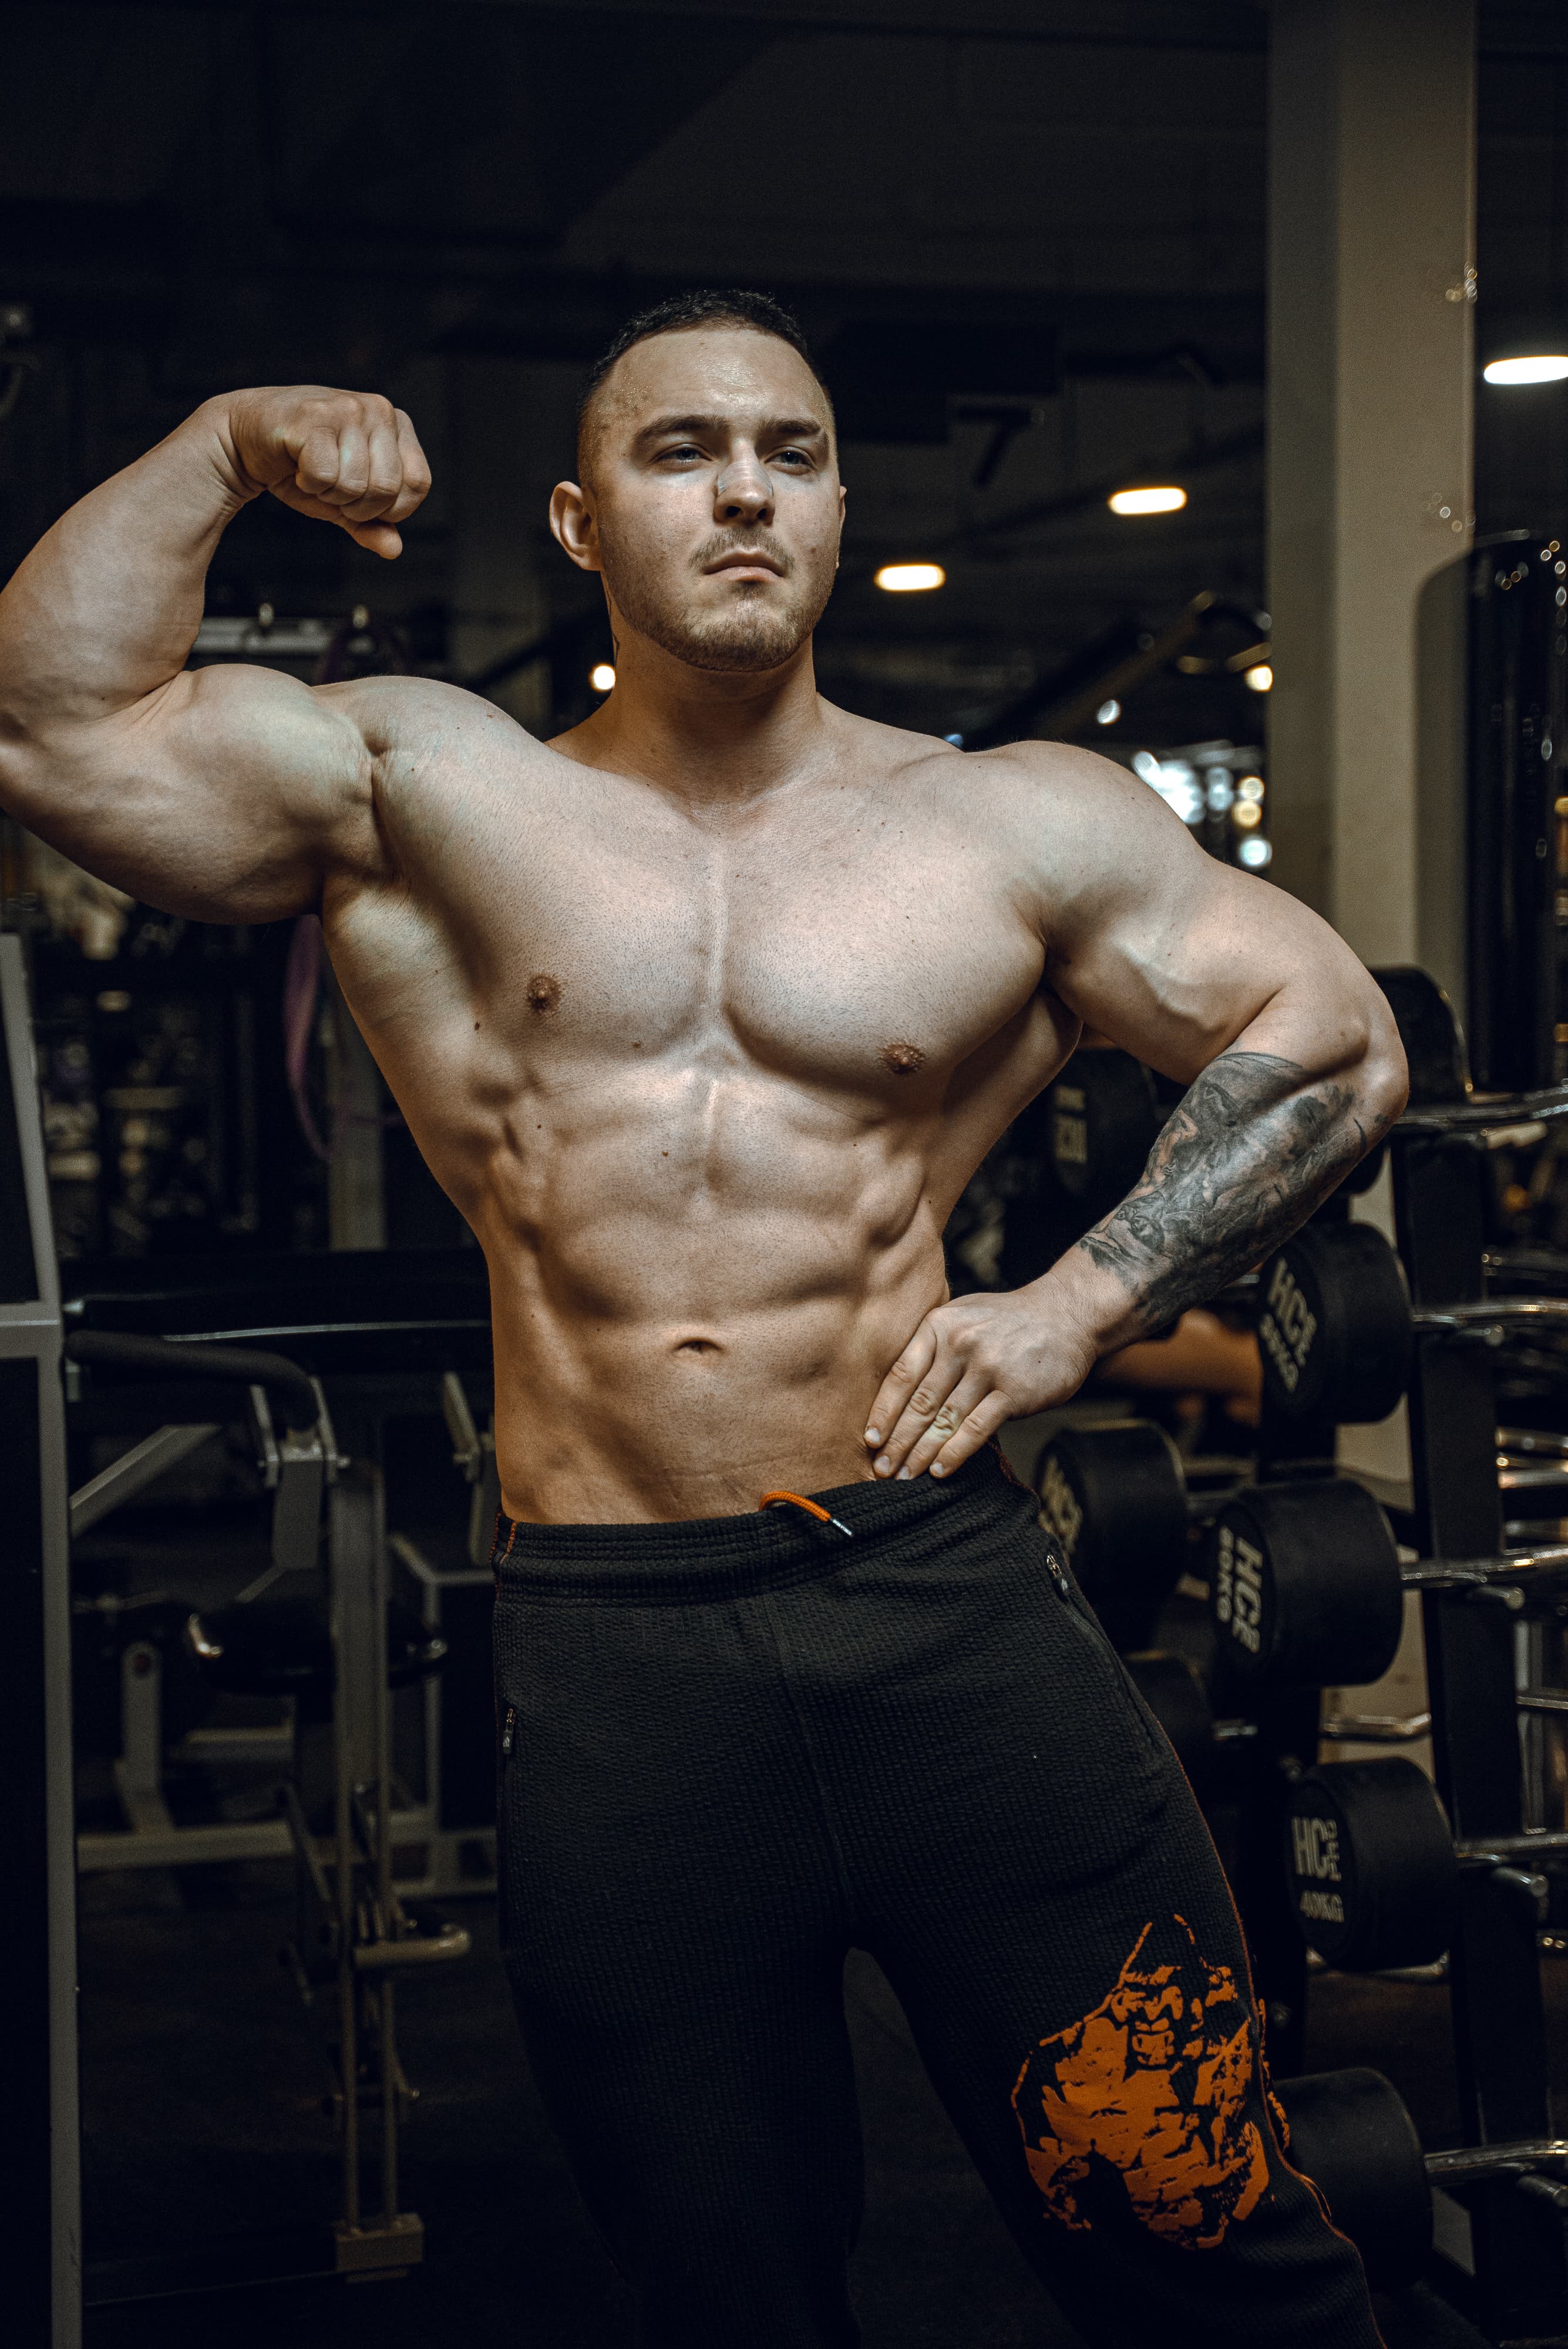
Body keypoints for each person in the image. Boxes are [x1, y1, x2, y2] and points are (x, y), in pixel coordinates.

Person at [0, 289, 1404, 2347]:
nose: (745, 487)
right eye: (680, 453)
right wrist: (223, 442)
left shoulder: (1015, 818)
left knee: (1208, 2237)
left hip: (944, 1620)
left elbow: (1337, 1042)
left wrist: (1079, 1303)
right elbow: (49, 724)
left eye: (794, 452)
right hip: (620, 1669)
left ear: (838, 510)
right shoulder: (425, 784)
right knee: (720, 2291)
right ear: (582, 522)